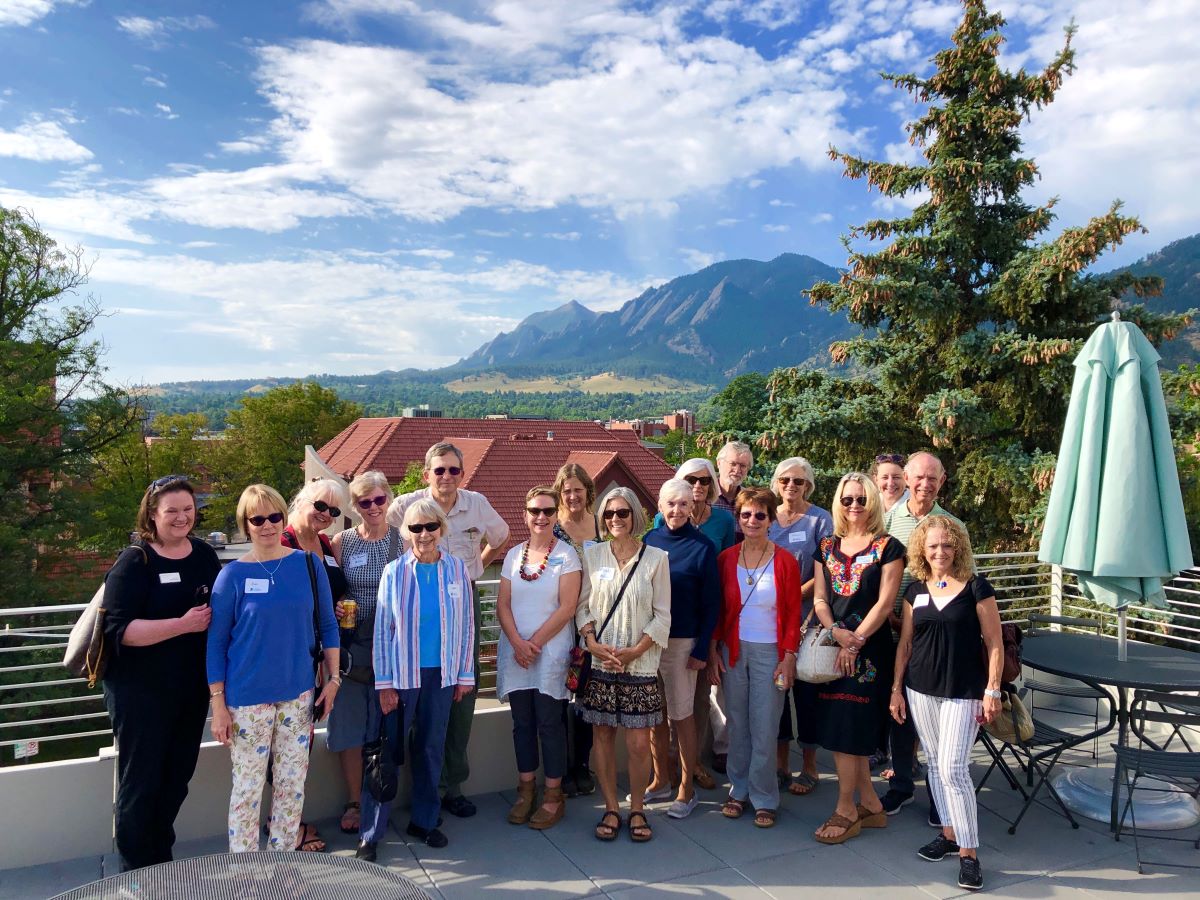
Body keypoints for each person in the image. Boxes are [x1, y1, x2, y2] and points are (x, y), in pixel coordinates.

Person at [208, 484, 341, 854]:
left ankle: (281, 868)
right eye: (257, 519)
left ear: (283, 517)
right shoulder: (231, 577)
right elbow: (216, 645)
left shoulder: (309, 565)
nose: (267, 525)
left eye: (274, 517)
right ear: (245, 525)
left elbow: (328, 625)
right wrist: (218, 704)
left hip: (298, 695)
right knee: (248, 791)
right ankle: (246, 873)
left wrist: (333, 680)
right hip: (247, 700)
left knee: (291, 788)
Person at [101, 475, 220, 871]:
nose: (182, 517)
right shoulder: (135, 563)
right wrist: (181, 624)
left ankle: (160, 862)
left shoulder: (203, 554)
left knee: (175, 779)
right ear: (152, 514)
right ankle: (135, 872)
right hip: (140, 693)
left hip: (188, 690)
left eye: (189, 509)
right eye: (172, 511)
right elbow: (119, 632)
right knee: (140, 783)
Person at [387, 442, 509, 819]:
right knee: (414, 699)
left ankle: (451, 785)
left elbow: (501, 535)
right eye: (439, 470)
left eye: (454, 470)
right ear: (427, 473)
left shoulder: (476, 504)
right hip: (416, 600)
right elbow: (384, 530)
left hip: (461, 601)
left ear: (462, 473)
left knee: (461, 696)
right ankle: (420, 789)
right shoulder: (404, 506)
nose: (446, 477)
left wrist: (476, 566)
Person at [890, 515, 1003, 892]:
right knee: (935, 766)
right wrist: (895, 689)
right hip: (920, 689)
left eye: (947, 545)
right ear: (923, 548)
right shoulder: (915, 592)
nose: (940, 551)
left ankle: (969, 853)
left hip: (964, 690)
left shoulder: (976, 588)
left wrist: (993, 689)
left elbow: (994, 643)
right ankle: (951, 834)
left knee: (954, 768)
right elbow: (906, 644)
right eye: (933, 545)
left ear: (958, 548)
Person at [367, 498, 476, 854]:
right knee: (387, 753)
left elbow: (467, 627)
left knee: (431, 751)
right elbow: (383, 631)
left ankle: (424, 821)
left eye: (431, 527)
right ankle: (372, 833)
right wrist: (384, 683)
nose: (424, 534)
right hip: (401, 676)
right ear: (406, 532)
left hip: (442, 676)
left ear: (441, 529)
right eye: (416, 528)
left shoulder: (458, 570)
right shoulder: (394, 572)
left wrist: (463, 675)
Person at [810, 474, 904, 844]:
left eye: (861, 500)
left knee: (851, 729)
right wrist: (836, 633)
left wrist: (855, 642)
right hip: (834, 647)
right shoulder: (826, 546)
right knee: (840, 727)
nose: (854, 506)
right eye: (847, 499)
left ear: (874, 502)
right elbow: (820, 598)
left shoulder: (889, 548)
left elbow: (884, 602)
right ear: (838, 502)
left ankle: (845, 808)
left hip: (871, 651)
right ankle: (869, 804)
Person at [577, 487, 671, 843]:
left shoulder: (656, 559)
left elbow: (663, 616)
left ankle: (638, 809)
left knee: (636, 743)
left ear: (635, 515)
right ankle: (611, 808)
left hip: (640, 664)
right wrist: (591, 642)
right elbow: (582, 606)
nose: (616, 519)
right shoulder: (593, 556)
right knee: (602, 736)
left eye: (623, 513)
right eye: (609, 514)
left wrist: (634, 652)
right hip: (601, 662)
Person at [881, 452, 967, 822]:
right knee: (898, 712)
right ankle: (901, 785)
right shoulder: (888, 518)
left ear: (942, 481)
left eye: (933, 478)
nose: (925, 484)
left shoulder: (952, 525)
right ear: (907, 478)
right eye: (919, 477)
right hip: (888, 629)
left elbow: (963, 579)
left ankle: (939, 797)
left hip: (932, 634)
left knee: (933, 721)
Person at [708, 487, 801, 829]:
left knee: (765, 725)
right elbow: (718, 611)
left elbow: (793, 614)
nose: (752, 520)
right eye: (746, 514)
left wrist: (788, 656)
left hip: (770, 652)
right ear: (738, 518)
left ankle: (764, 796)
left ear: (771, 519)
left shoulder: (785, 561)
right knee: (737, 723)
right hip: (734, 649)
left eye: (760, 515)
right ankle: (738, 789)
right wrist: (715, 648)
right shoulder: (727, 558)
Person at [497, 486, 581, 830]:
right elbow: (503, 604)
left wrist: (533, 644)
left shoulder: (566, 556)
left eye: (548, 511)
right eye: (535, 511)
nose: (541, 517)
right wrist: (518, 642)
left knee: (549, 723)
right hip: (516, 652)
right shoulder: (513, 555)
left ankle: (552, 795)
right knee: (522, 724)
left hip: (549, 653)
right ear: (525, 514)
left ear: (556, 515)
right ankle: (526, 790)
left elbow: (568, 607)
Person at [329, 471, 401, 842]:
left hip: (394, 646)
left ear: (388, 499)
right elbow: (334, 589)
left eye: (378, 500)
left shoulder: (404, 540)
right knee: (351, 726)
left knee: (390, 727)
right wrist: (341, 606)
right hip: (354, 646)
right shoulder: (341, 543)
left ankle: (384, 798)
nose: (373, 507)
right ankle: (355, 801)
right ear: (354, 507)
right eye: (364, 502)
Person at [655, 456, 736, 784]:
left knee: (697, 702)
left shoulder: (721, 525)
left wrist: (709, 644)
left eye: (703, 481)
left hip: (698, 629)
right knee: (662, 707)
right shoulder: (656, 532)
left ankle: (693, 767)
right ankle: (666, 770)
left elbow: (722, 583)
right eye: (691, 480)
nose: (697, 486)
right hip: (659, 635)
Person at [643, 479, 721, 819]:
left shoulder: (702, 547)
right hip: (648, 643)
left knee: (682, 716)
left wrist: (702, 649)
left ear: (694, 508)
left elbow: (712, 605)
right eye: (671, 504)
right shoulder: (648, 541)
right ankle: (661, 779)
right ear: (660, 507)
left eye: (684, 504)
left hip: (682, 643)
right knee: (654, 716)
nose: (677, 511)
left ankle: (686, 788)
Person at [282, 477, 350, 850]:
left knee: (301, 742)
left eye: (334, 511)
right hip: (290, 659)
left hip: (318, 656)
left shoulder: (323, 543)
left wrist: (335, 608)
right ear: (302, 500)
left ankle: (291, 821)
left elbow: (328, 594)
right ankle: (289, 826)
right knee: (287, 743)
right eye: (320, 506)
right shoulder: (284, 542)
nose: (326, 515)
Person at [768, 457, 833, 798]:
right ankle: (781, 764)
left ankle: (809, 766)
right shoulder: (768, 518)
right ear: (776, 484)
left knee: (806, 694)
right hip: (769, 621)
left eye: (799, 481)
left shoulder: (820, 520)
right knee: (777, 691)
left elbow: (826, 571)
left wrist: (792, 596)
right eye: (785, 480)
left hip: (806, 619)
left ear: (808, 485)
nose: (791, 486)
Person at [552, 463, 601, 797]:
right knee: (558, 697)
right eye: (566, 490)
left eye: (578, 489)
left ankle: (582, 765)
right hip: (560, 621)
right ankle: (561, 768)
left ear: (588, 491)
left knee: (584, 696)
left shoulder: (601, 524)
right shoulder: (553, 527)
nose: (572, 496)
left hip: (592, 621)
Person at [868, 450, 907, 772]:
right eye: (884, 477)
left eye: (896, 476)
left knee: (904, 688)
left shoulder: (915, 516)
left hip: (908, 622)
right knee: (879, 686)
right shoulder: (867, 513)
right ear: (875, 481)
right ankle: (879, 748)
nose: (890, 483)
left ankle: (904, 758)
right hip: (874, 623)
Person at [713, 441, 753, 539]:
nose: (737, 470)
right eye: (733, 464)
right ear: (719, 463)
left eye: (743, 466)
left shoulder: (750, 501)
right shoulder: (707, 496)